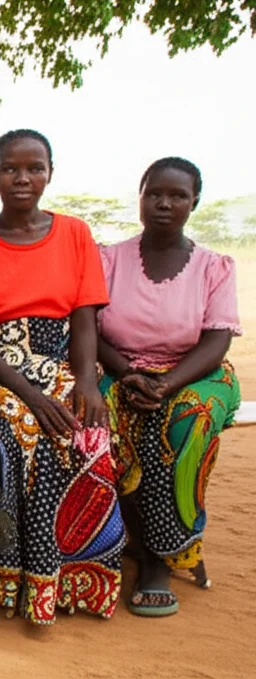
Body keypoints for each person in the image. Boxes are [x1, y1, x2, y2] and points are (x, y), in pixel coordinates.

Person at [0, 129, 125, 625]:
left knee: (87, 429)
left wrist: (86, 381)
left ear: (50, 172)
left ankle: (74, 580)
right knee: (23, 429)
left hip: (62, 357)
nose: (23, 178)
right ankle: (12, 579)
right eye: (11, 168)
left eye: (34, 168)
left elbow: (84, 318)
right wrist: (24, 392)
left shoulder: (74, 234)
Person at [98, 157, 241, 617]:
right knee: (95, 417)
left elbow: (217, 340)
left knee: (183, 424)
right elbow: (89, 330)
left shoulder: (214, 267)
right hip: (119, 366)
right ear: (139, 196)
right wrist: (127, 374)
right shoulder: (108, 259)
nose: (164, 203)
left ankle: (161, 557)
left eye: (177, 196)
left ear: (194, 202)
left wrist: (165, 385)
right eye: (154, 193)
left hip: (194, 373)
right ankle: (119, 539)